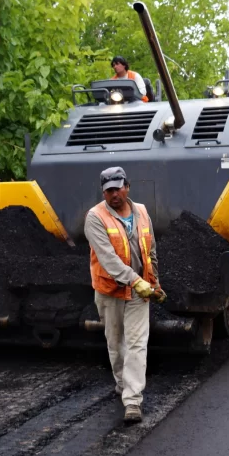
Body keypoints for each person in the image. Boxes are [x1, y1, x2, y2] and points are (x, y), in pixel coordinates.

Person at [84, 166, 165, 423]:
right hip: (110, 292)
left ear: (127, 186)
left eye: (118, 188)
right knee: (116, 345)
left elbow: (150, 249)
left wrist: (154, 282)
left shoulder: (141, 211)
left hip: (140, 293)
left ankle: (132, 400)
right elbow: (108, 259)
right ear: (103, 192)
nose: (114, 194)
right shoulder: (95, 217)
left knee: (137, 344)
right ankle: (121, 383)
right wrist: (136, 280)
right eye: (109, 191)